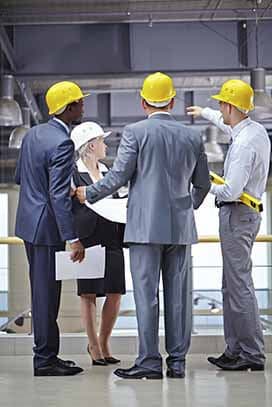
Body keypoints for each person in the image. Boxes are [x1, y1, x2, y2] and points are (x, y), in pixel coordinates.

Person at [76, 72, 211, 379]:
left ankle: (149, 363)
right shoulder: (192, 136)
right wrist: (186, 209)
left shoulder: (135, 132)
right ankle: (177, 364)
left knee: (146, 296)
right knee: (178, 298)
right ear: (173, 101)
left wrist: (89, 193)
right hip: (180, 230)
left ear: (143, 102)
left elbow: (119, 176)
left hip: (144, 229)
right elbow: (202, 184)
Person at [187, 79, 271, 371]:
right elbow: (227, 126)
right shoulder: (252, 130)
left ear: (231, 106)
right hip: (241, 215)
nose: (220, 106)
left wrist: (204, 183)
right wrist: (205, 112)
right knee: (231, 287)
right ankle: (235, 349)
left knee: (240, 286)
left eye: (222, 103)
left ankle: (251, 354)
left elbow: (231, 192)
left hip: (237, 213)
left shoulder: (246, 143)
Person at [15, 81, 88, 376]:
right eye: (80, 103)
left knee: (43, 292)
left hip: (29, 223)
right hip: (47, 229)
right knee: (47, 295)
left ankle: (48, 355)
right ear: (68, 108)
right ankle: (44, 360)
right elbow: (57, 195)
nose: (83, 106)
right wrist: (73, 237)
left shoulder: (33, 134)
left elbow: (22, 177)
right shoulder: (62, 142)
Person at [70, 121, 125, 366]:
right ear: (91, 145)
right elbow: (67, 208)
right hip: (87, 238)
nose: (105, 145)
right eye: (102, 141)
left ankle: (104, 342)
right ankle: (93, 346)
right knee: (88, 293)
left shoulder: (107, 171)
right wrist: (73, 239)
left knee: (115, 292)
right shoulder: (72, 172)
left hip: (111, 235)